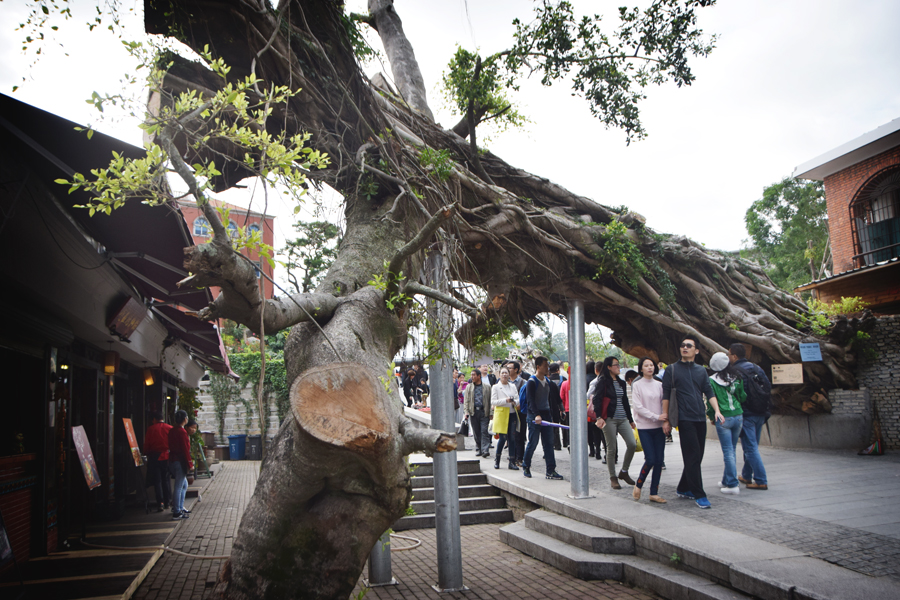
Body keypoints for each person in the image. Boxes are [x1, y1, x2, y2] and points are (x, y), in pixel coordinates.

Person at [662, 336, 717, 509]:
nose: (684, 348)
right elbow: (665, 395)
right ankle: (699, 494)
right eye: (682, 345)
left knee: (697, 456)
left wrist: (717, 410)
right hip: (684, 419)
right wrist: (666, 418)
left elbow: (709, 392)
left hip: (700, 416)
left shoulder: (701, 370)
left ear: (696, 351)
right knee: (692, 455)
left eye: (689, 345)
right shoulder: (671, 369)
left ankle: (684, 487)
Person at [729, 343, 771, 490]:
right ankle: (746, 475)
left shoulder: (734, 371)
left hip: (747, 414)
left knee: (750, 448)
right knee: (752, 446)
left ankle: (761, 480)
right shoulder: (756, 367)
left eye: (729, 355)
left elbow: (734, 393)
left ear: (734, 356)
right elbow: (767, 386)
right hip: (760, 413)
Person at [592, 357, 637, 490]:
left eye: (618, 365)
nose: (618, 367)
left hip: (622, 418)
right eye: (616, 365)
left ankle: (624, 471)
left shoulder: (621, 383)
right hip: (609, 418)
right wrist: (599, 417)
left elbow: (625, 402)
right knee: (611, 449)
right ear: (609, 367)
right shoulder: (603, 382)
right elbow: (597, 400)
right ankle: (613, 477)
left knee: (632, 444)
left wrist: (630, 419)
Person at [707, 352, 746, 495]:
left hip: (723, 417)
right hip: (738, 415)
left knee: (728, 451)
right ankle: (726, 480)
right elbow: (742, 396)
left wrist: (712, 416)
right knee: (732, 450)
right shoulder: (737, 377)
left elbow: (711, 401)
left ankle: (732, 484)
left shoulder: (711, 380)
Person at [630, 357, 668, 503]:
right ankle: (639, 484)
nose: (649, 368)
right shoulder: (637, 385)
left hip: (659, 427)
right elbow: (638, 407)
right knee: (650, 458)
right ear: (641, 368)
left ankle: (654, 492)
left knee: (659, 460)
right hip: (645, 427)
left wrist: (664, 420)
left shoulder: (659, 384)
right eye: (646, 365)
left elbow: (663, 402)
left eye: (651, 365)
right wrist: (656, 416)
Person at [522, 356, 565, 480]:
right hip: (534, 416)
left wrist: (561, 408)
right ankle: (526, 465)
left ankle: (551, 470)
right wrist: (536, 415)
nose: (547, 368)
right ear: (538, 367)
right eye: (545, 366)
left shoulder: (548, 381)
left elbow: (556, 397)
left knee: (548, 443)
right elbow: (530, 400)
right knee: (533, 442)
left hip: (546, 414)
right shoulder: (531, 381)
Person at [491, 367, 520, 470]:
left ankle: (512, 461)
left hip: (512, 413)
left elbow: (517, 399)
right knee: (502, 438)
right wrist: (505, 400)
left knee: (512, 438)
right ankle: (497, 459)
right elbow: (493, 402)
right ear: (499, 375)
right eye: (502, 373)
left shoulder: (512, 386)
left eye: (506, 373)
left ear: (509, 374)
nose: (504, 375)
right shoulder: (496, 387)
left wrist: (514, 402)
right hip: (502, 414)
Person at [168, 410, 193, 520]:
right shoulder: (182, 432)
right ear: (184, 419)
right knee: (179, 486)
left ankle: (179, 507)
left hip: (172, 460)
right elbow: (185, 449)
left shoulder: (172, 430)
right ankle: (177, 511)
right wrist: (189, 463)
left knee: (184, 485)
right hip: (180, 461)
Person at [144, 411, 172, 512]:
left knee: (157, 481)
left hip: (154, 457)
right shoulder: (169, 428)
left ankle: (160, 503)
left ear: (154, 420)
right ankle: (167, 502)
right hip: (166, 456)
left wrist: (145, 452)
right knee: (166, 480)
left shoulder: (150, 429)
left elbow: (147, 444)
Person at [464, 369, 493, 458]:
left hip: (484, 411)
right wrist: (466, 412)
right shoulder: (469, 387)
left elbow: (490, 400)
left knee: (484, 431)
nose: (472, 377)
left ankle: (485, 450)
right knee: (476, 432)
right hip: (473, 412)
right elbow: (466, 400)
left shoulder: (487, 387)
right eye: (471, 375)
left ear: (479, 376)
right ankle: (479, 448)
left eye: (474, 375)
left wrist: (491, 413)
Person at [506, 360, 528, 467]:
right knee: (510, 435)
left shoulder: (524, 382)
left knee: (520, 435)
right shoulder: (504, 382)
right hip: (508, 412)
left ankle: (520, 457)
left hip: (520, 412)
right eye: (507, 368)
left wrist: (521, 406)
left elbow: (527, 397)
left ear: (516, 369)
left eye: (510, 368)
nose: (508, 370)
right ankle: (512, 456)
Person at [586, 362, 607, 462]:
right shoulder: (607, 379)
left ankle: (595, 451)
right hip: (606, 410)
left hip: (593, 410)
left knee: (594, 431)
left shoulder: (593, 381)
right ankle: (608, 453)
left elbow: (588, 395)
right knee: (603, 433)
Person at [548, 363, 565, 450]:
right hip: (559, 406)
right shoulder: (563, 379)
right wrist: (562, 408)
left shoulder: (547, 381)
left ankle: (556, 444)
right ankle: (565, 442)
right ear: (558, 370)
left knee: (552, 427)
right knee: (561, 425)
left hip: (549, 407)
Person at [559, 368, 571, 449]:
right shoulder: (581, 383)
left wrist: (562, 409)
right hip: (580, 411)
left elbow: (562, 398)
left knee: (569, 427)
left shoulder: (564, 384)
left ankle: (569, 443)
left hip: (568, 409)